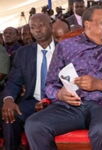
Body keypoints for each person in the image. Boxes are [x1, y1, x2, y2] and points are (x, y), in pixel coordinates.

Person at [24, 6, 102, 150]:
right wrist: (59, 94)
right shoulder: (66, 46)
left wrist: (101, 84)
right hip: (70, 107)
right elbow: (50, 84)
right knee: (34, 125)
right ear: (87, 24)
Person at [0, 13, 54, 150]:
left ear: (50, 26)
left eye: (41, 25)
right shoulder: (23, 53)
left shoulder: (65, 49)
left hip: (58, 102)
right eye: (33, 27)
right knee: (10, 115)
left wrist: (50, 101)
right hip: (33, 101)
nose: (37, 30)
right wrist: (8, 99)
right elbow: (13, 81)